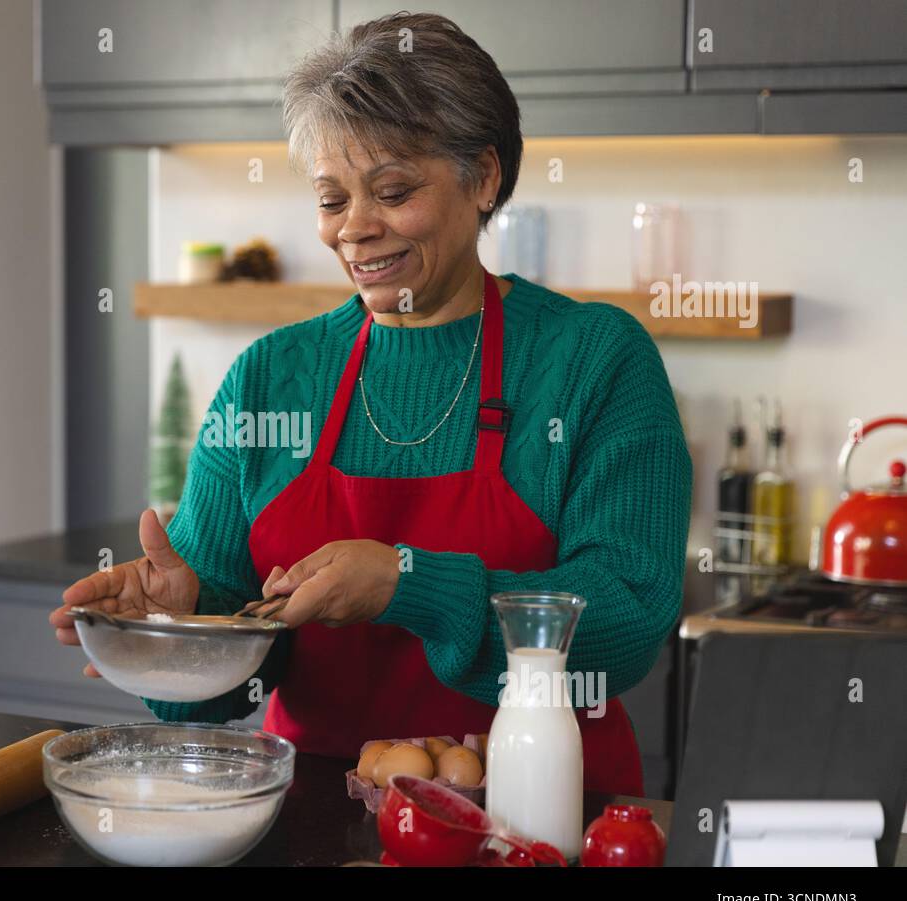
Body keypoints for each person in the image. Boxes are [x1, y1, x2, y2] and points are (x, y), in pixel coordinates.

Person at [50, 11, 691, 795]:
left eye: (392, 190)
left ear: (484, 176)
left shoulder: (596, 360)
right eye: (330, 199)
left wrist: (407, 584)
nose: (355, 229)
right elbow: (229, 689)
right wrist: (179, 632)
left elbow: (626, 622)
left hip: (543, 814)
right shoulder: (268, 377)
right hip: (319, 819)